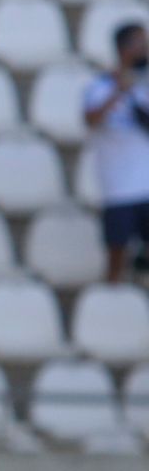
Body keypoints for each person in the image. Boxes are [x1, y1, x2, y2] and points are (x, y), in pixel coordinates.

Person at [83, 21, 149, 282]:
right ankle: (110, 305)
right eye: (140, 43)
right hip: (118, 188)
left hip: (146, 185)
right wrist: (120, 91)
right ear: (124, 48)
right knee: (116, 256)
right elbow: (90, 120)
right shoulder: (99, 87)